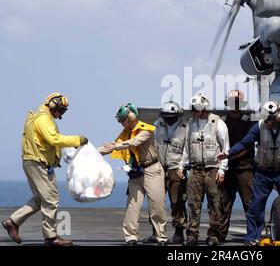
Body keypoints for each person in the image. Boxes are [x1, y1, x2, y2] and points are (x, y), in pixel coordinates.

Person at [2, 92, 88, 246]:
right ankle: (51, 237)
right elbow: (53, 139)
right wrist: (78, 140)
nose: (61, 114)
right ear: (53, 104)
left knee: (40, 199)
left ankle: (13, 222)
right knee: (51, 199)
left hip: (33, 162)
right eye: (61, 109)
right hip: (38, 163)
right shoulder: (43, 118)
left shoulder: (38, 114)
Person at [217, 101, 280, 246]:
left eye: (270, 118)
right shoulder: (259, 126)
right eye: (265, 118)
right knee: (255, 207)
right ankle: (252, 238)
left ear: (278, 116)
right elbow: (244, 143)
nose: (267, 121)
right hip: (262, 173)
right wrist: (227, 153)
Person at [98, 103, 168, 246]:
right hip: (136, 172)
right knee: (132, 206)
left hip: (152, 170)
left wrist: (116, 145)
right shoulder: (125, 133)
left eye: (123, 119)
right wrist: (90, 152)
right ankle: (131, 237)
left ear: (131, 117)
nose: (121, 123)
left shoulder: (145, 129)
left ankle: (161, 236)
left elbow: (133, 142)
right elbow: (111, 146)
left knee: (157, 205)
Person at [177, 93, 229, 246]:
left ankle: (214, 235)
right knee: (193, 203)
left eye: (197, 109)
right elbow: (187, 147)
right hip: (195, 169)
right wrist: (182, 165)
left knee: (215, 202)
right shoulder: (190, 123)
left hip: (213, 169)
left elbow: (225, 149)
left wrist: (222, 170)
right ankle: (192, 235)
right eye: (193, 110)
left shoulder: (218, 123)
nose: (194, 112)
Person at [219, 90, 254, 243]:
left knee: (250, 203)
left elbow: (249, 144)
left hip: (244, 168)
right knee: (223, 203)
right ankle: (219, 235)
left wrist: (232, 156)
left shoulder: (248, 121)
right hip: (226, 168)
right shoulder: (222, 122)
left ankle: (253, 235)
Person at [154, 101, 188, 244]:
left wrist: (182, 167)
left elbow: (187, 150)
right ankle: (156, 232)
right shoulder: (158, 124)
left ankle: (179, 231)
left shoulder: (186, 127)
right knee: (156, 201)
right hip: (159, 167)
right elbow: (154, 143)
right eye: (166, 116)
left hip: (176, 168)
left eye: (171, 116)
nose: (168, 119)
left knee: (178, 201)